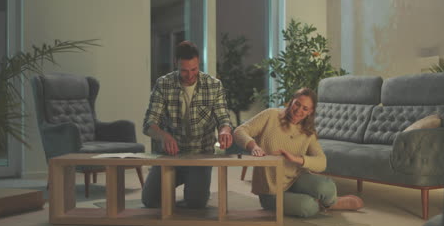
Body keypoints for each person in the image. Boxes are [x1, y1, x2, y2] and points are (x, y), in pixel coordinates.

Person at [233, 88, 363, 217]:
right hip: (271, 190)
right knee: (308, 207)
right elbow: (240, 131)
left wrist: (297, 159)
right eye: (297, 104)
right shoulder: (271, 115)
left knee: (327, 187)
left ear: (310, 112)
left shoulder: (308, 132)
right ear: (291, 102)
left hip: (296, 180)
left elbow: (322, 162)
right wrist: (253, 146)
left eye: (305, 109)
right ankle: (323, 203)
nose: (299, 110)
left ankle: (331, 202)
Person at [142, 40, 233, 209]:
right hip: (171, 155)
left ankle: (192, 188)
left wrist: (225, 131)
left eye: (194, 69)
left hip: (200, 154)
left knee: (196, 204)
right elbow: (149, 123)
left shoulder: (214, 85)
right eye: (184, 70)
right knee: (150, 201)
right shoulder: (163, 84)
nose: (190, 75)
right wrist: (163, 136)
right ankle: (174, 185)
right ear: (176, 63)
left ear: (199, 62)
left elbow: (224, 120)